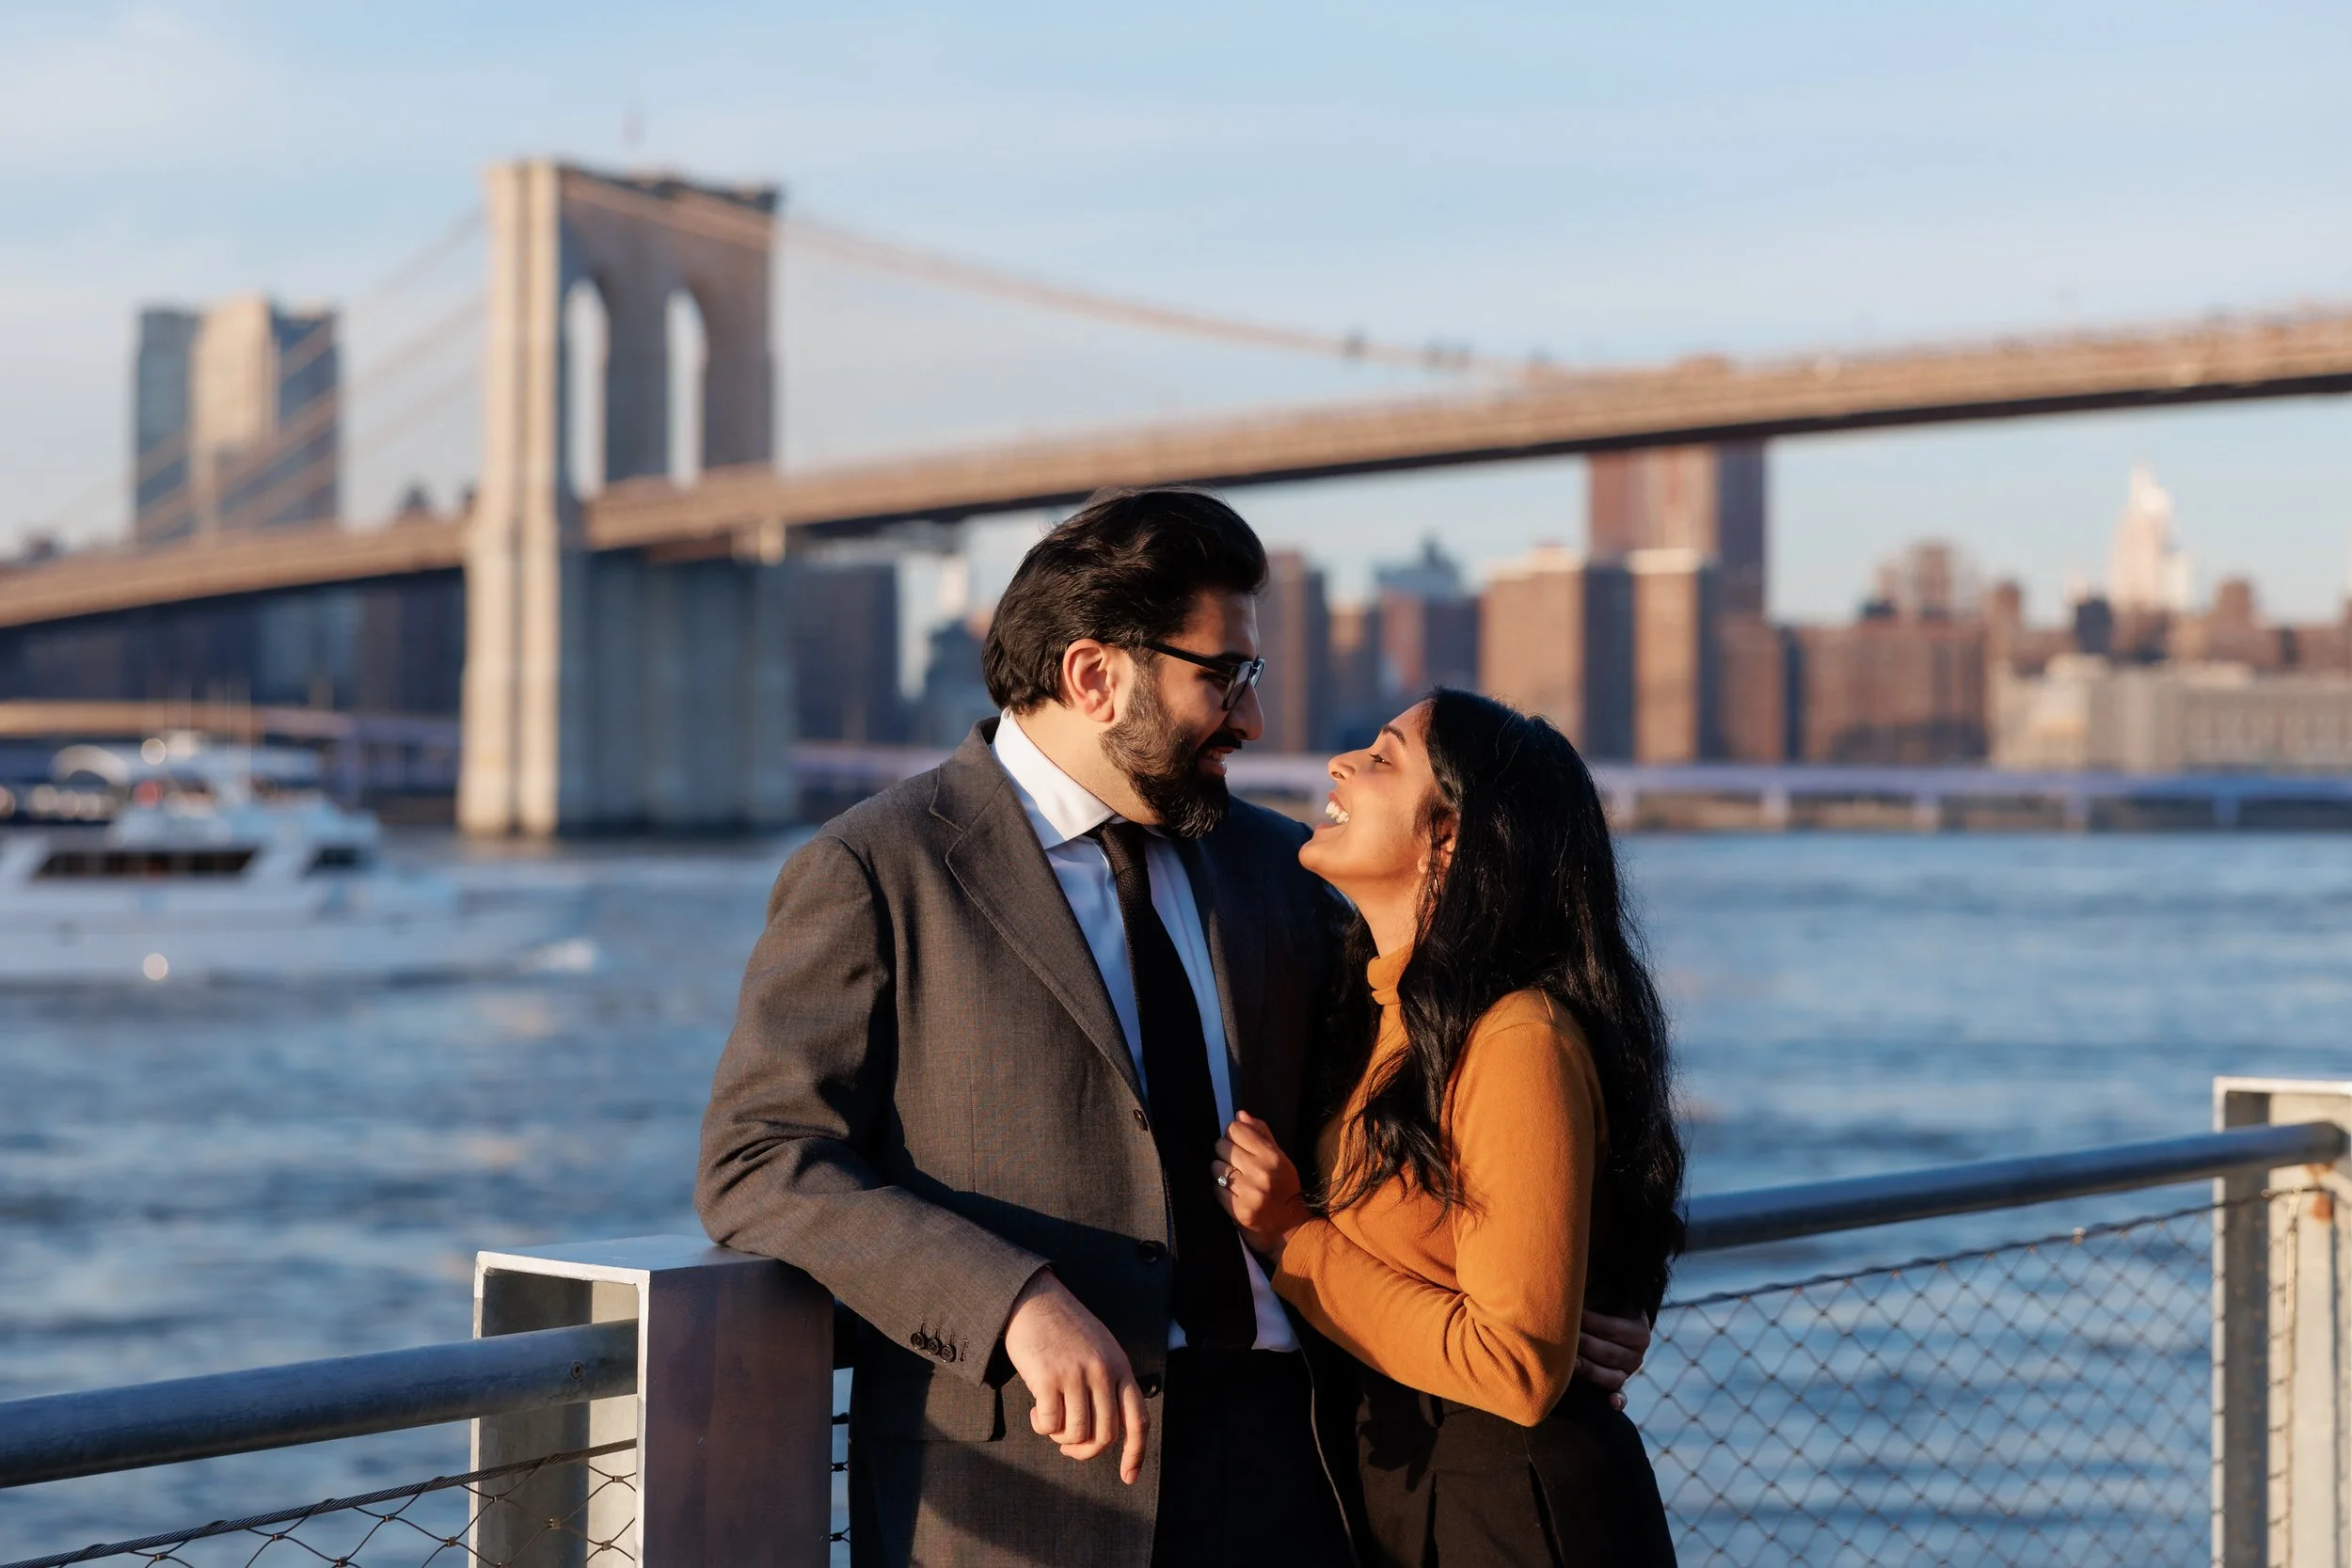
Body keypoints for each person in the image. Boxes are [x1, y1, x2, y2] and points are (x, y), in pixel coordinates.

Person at [697, 488, 1653, 1568]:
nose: (1250, 720)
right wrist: (1010, 1299)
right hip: (1028, 1484)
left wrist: (1598, 1286)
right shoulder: (879, 869)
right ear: (1094, 675)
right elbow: (760, 1157)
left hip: (1310, 1464)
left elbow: (1462, 1075)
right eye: (1222, 677)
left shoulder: (1276, 866)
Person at [1214, 689, 1686, 1568]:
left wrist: (1292, 1238)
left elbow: (1514, 1364)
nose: (1339, 766)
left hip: (1511, 1512)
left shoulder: (1517, 1038)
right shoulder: (1372, 1008)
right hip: (1396, 1494)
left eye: (1384, 757)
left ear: (1454, 834)